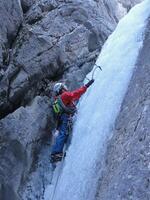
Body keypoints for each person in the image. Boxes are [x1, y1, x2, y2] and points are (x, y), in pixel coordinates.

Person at [51, 79, 94, 163]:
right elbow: (75, 94)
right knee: (63, 134)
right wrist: (86, 86)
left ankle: (57, 153)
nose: (65, 87)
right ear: (61, 89)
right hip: (66, 117)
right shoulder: (64, 95)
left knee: (62, 134)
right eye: (63, 87)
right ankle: (56, 153)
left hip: (62, 119)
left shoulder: (57, 99)